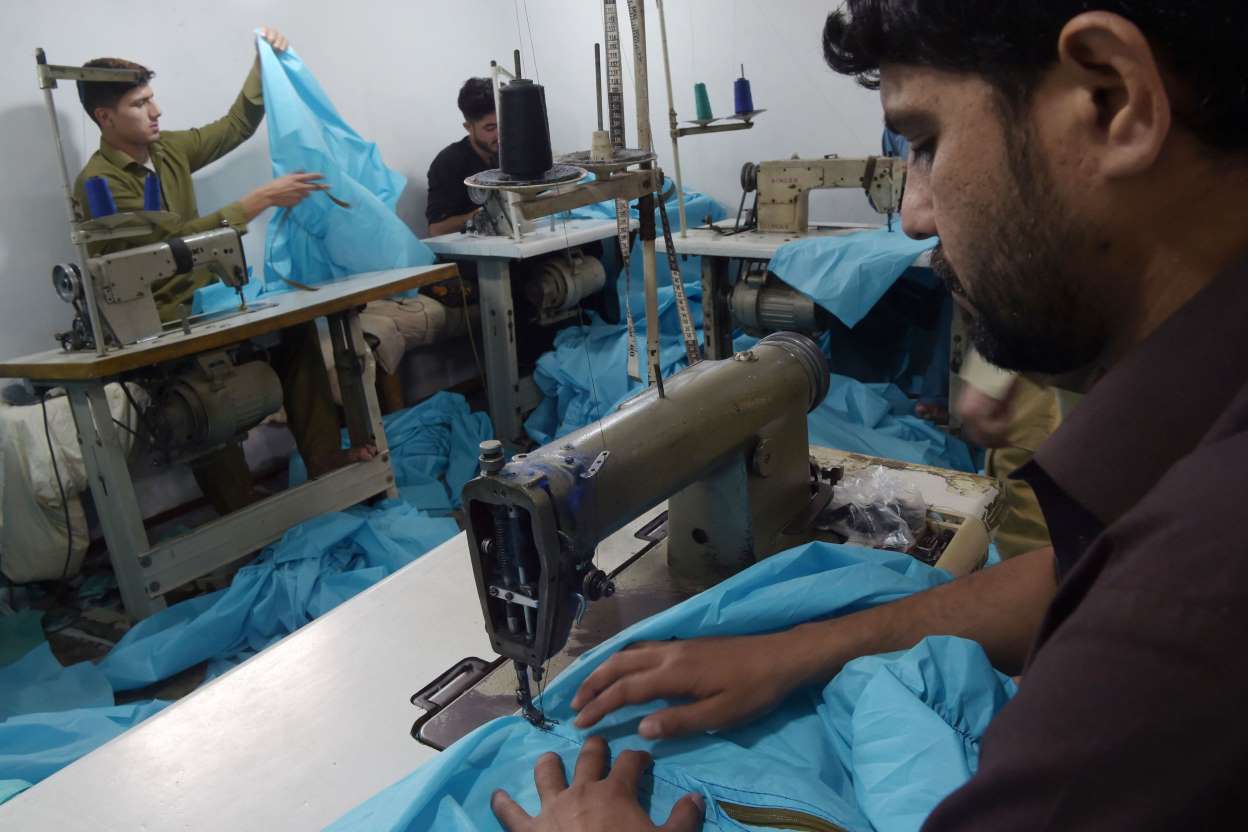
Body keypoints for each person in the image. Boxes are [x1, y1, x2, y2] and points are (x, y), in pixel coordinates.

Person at [492, 2, 1248, 828]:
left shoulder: (1185, 609)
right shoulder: (1180, 478)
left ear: (1113, 101)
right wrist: (798, 650)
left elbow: (1135, 599)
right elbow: (1076, 570)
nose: (916, 213)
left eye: (924, 141)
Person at [73, 28, 370, 516]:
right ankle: (243, 515)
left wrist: (261, 63)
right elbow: (165, 247)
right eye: (139, 104)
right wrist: (255, 202)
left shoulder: (168, 151)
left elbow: (236, 126)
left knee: (296, 335)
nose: (156, 111)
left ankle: (326, 463)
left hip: (205, 302)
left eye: (152, 98)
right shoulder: (98, 185)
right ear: (104, 117)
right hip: (159, 324)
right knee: (201, 394)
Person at [425, 77, 498, 237]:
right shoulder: (449, 163)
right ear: (468, 127)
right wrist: (487, 214)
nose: (500, 134)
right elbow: (436, 229)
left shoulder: (508, 154)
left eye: (503, 124)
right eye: (490, 128)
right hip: (477, 257)